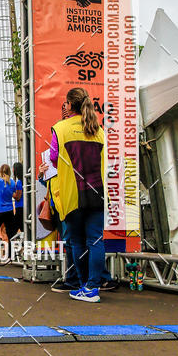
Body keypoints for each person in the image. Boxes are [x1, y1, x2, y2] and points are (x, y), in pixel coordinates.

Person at [50, 87, 106, 302]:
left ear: (69, 105)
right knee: (96, 240)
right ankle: (93, 287)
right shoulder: (98, 130)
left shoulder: (60, 128)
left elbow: (53, 158)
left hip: (72, 193)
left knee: (77, 242)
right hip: (98, 192)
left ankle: (84, 286)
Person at [11, 162, 23, 238]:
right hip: (23, 207)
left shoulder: (19, 182)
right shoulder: (23, 181)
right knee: (22, 228)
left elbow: (18, 197)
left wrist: (10, 191)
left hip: (20, 208)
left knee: (13, 229)